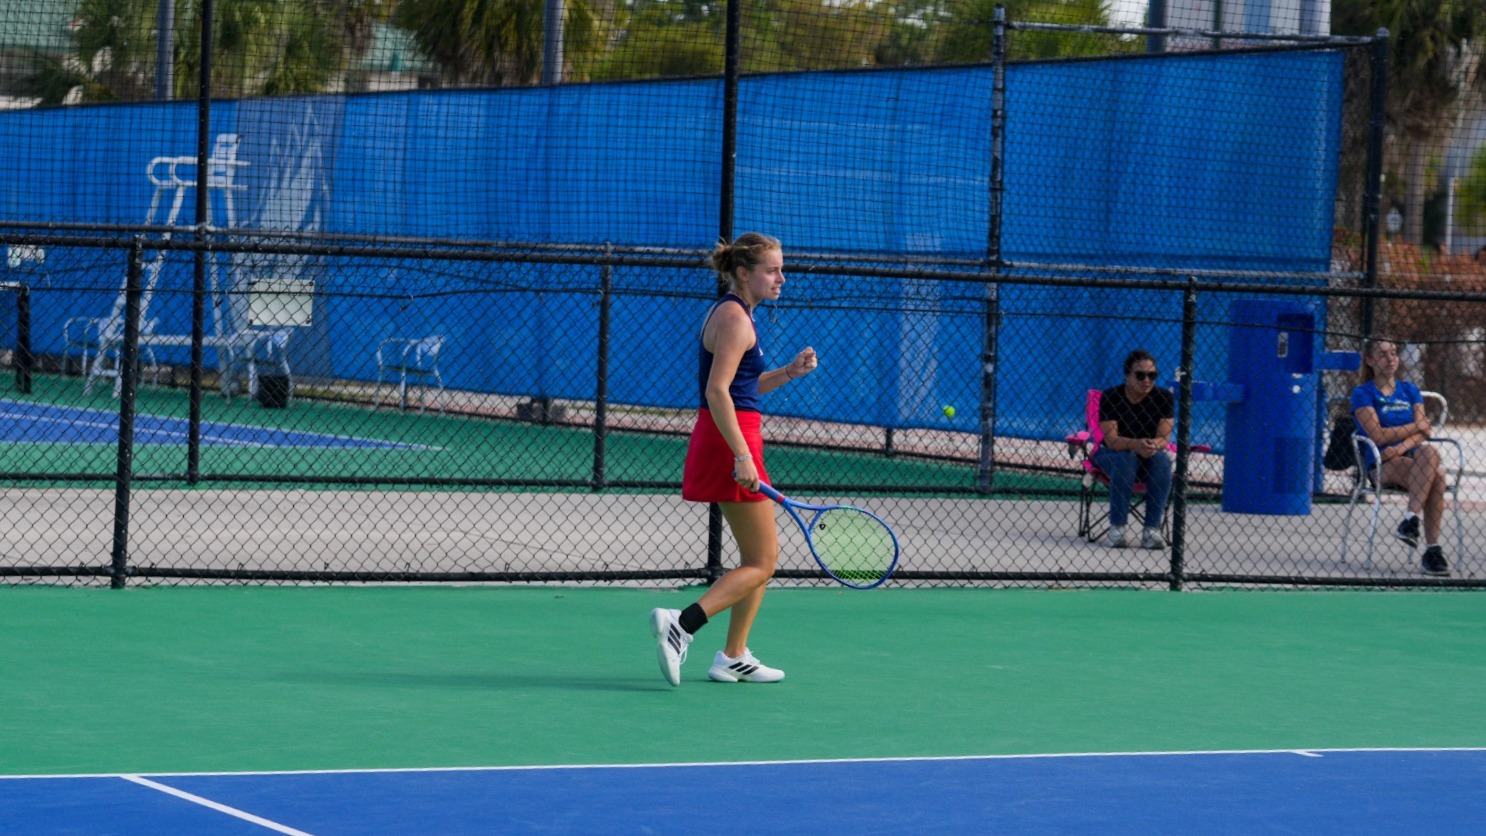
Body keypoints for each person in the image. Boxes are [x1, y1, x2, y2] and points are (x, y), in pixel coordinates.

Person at [649, 232, 818, 686]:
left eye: (781, 269)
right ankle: (681, 624)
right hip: (731, 440)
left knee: (756, 559)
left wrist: (788, 372)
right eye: (771, 270)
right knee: (763, 562)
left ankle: (734, 655)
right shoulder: (736, 319)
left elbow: (742, 389)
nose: (781, 278)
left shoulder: (734, 313)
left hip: (734, 433)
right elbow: (717, 391)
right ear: (743, 273)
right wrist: (742, 456)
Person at [1350, 339, 1450, 577]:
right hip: (1382, 463)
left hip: (1413, 458)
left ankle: (1411, 520)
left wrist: (1402, 445)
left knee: (1430, 454)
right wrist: (1415, 426)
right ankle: (1432, 552)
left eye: (1393, 353)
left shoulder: (1410, 390)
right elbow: (1378, 434)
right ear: (1371, 360)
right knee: (1437, 477)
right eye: (1383, 354)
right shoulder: (1363, 393)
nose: (1390, 358)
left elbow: (1426, 433)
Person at [1092, 350, 1174, 550]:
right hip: (1112, 455)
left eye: (1152, 375)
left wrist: (1151, 445)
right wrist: (1136, 445)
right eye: (1140, 375)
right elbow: (1111, 440)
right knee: (1126, 459)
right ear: (1128, 376)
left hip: (1148, 455)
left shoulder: (1164, 397)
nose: (1147, 380)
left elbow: (1164, 438)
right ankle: (1117, 528)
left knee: (1163, 460)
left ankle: (1152, 531)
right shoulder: (1111, 396)